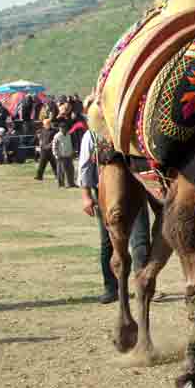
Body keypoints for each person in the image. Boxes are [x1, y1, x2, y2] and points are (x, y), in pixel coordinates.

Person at [78, 109, 151, 304]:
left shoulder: (135, 131)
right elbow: (85, 166)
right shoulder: (93, 134)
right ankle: (111, 287)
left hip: (137, 191)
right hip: (105, 194)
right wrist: (86, 196)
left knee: (141, 240)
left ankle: (143, 284)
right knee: (108, 243)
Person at [52, 121, 76, 187]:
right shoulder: (57, 136)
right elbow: (54, 146)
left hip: (69, 155)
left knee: (71, 170)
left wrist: (72, 152)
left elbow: (71, 144)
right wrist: (56, 155)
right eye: (61, 128)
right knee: (61, 171)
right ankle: (61, 184)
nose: (63, 129)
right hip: (61, 156)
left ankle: (71, 183)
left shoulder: (69, 135)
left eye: (64, 127)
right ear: (59, 128)